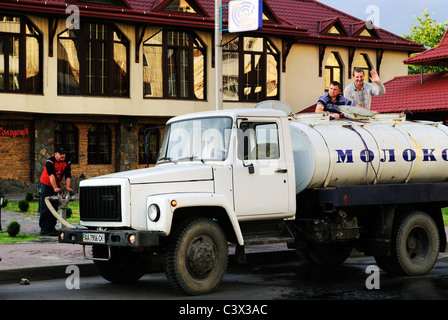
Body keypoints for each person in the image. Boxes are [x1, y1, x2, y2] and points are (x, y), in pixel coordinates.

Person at [39, 146, 73, 236]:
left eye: (64, 154)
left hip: (57, 185)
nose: (62, 156)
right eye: (60, 154)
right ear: (55, 154)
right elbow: (51, 175)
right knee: (45, 207)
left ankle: (51, 227)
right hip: (46, 184)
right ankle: (44, 228)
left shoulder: (67, 162)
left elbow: (68, 175)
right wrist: (54, 187)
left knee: (55, 206)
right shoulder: (50, 161)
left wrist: (68, 186)